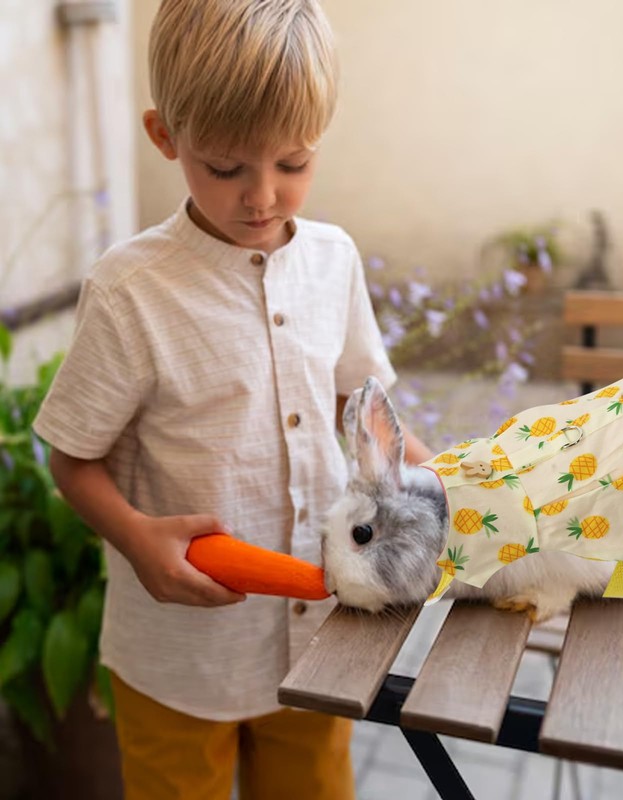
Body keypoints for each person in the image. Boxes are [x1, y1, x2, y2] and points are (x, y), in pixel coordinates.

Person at [33, 1, 431, 797]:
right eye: (226, 168)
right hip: (179, 661)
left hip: (320, 638)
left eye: (294, 162)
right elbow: (71, 458)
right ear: (165, 136)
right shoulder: (131, 288)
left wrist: (439, 480)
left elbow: (361, 405)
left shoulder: (334, 260)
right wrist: (137, 539)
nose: (263, 197)